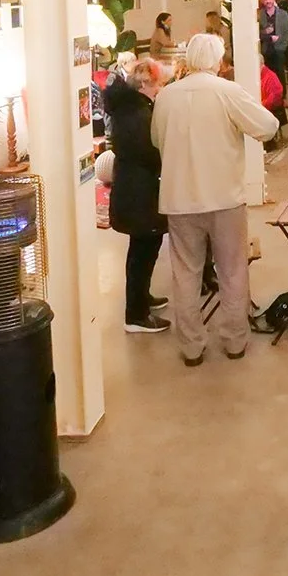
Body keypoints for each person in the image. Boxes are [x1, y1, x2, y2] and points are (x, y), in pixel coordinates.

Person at [151, 34, 279, 366]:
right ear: (219, 61)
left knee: (185, 273)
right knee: (232, 270)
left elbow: (156, 140)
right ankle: (234, 340)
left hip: (179, 199)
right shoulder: (227, 91)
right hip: (224, 198)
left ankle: (192, 346)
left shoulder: (167, 96)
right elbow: (268, 126)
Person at [106, 60, 171, 334]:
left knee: (144, 249)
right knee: (142, 252)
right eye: (158, 84)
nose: (160, 90)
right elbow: (148, 150)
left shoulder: (132, 108)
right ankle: (136, 314)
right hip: (139, 191)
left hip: (137, 187)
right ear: (144, 83)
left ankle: (142, 298)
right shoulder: (135, 113)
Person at [259, 0, 288, 85]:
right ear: (263, 2)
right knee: (267, 74)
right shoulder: (260, 15)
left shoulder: (283, 14)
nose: (268, 1)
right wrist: (266, 33)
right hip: (266, 49)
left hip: (279, 49)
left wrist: (282, 47)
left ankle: (282, 92)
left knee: (280, 73)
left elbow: (287, 32)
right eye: (265, 0)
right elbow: (257, 32)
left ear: (274, 0)